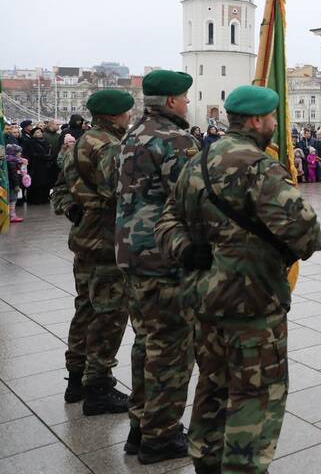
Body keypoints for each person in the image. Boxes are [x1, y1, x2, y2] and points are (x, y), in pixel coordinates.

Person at [156, 85, 321, 474]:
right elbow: (307, 233)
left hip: (204, 299)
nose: (276, 124)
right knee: (256, 393)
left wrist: (186, 249)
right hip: (252, 304)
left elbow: (166, 222)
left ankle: (206, 461)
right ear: (256, 121)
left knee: (213, 385)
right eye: (272, 118)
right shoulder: (260, 168)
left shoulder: (197, 162)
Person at [114, 70, 200, 463]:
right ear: (169, 101)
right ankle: (162, 436)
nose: (186, 103)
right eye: (183, 97)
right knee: (170, 348)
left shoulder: (133, 132)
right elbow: (193, 199)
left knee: (146, 342)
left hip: (133, 253)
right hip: (164, 256)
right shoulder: (175, 139)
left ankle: (140, 425)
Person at [52, 89, 133, 415]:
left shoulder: (80, 141)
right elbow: (116, 193)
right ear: (115, 116)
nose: (129, 118)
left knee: (85, 308)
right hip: (105, 244)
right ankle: (98, 385)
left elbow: (59, 189)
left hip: (85, 241)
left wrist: (72, 208)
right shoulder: (110, 147)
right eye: (127, 113)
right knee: (110, 314)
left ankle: (76, 380)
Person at [23, 126, 53, 205]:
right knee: (37, 183)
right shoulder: (31, 142)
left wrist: (48, 157)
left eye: (40, 132)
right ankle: (36, 200)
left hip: (45, 165)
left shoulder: (45, 141)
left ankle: (44, 198)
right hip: (36, 166)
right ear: (33, 134)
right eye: (37, 132)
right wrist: (43, 156)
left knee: (45, 182)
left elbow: (49, 151)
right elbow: (32, 154)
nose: (39, 134)